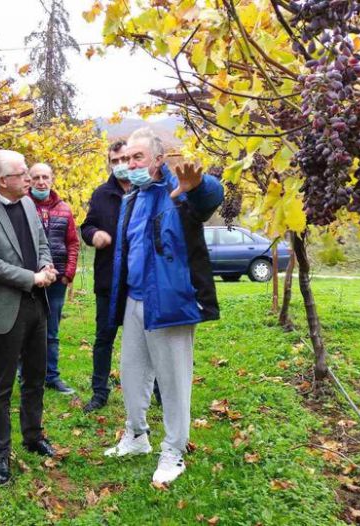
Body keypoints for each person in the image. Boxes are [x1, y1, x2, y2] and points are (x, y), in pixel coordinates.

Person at [104, 128, 223, 485]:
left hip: (170, 302)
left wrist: (198, 186)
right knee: (133, 373)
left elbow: (208, 198)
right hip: (136, 300)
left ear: (158, 159)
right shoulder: (133, 197)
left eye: (137, 157)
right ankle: (137, 436)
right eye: (125, 159)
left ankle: (174, 451)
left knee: (173, 381)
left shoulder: (178, 192)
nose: (130, 164)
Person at [0, 149, 58, 485]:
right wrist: (30, 277)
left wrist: (46, 266)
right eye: (23, 173)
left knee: (35, 377)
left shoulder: (30, 203)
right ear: (4, 181)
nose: (31, 178)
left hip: (36, 304)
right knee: (2, 386)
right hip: (6, 307)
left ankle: (33, 436)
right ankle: (1, 453)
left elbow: (41, 241)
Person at [79, 141, 131, 412]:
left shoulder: (146, 191)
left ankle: (156, 388)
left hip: (139, 282)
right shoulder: (101, 194)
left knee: (148, 339)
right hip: (108, 279)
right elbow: (87, 226)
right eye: (115, 160)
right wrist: (93, 235)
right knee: (104, 338)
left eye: (125, 158)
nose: (120, 164)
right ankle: (100, 392)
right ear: (110, 163)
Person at [28, 163, 80, 395]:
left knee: (52, 330)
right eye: (36, 177)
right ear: (29, 180)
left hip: (57, 280)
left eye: (45, 177)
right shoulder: (23, 206)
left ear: (52, 179)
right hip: (30, 278)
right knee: (27, 329)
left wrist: (68, 272)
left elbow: (73, 243)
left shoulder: (64, 209)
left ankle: (52, 375)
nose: (41, 181)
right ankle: (26, 376)